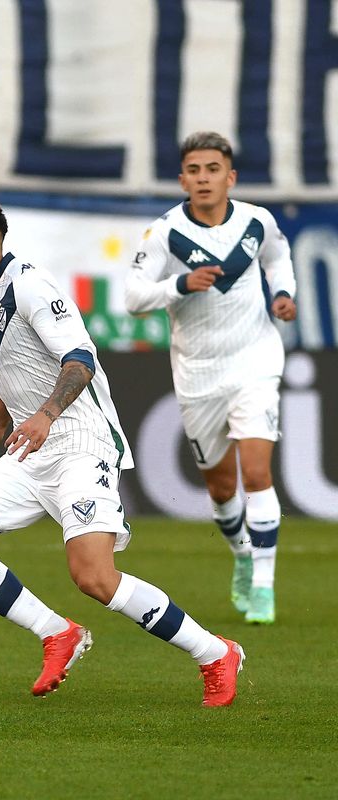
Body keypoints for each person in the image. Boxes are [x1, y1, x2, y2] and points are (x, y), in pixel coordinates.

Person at [0, 195, 244, 707]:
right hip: (30, 448)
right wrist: (1, 418)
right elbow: (19, 363)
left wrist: (46, 415)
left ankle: (214, 652)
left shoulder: (29, 285)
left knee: (93, 576)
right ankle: (57, 632)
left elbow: (78, 359)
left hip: (79, 442)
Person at [125, 132, 296, 625]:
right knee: (221, 490)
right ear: (182, 179)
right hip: (198, 372)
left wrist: (282, 294)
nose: (204, 178)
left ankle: (263, 583)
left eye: (213, 169)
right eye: (194, 171)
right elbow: (134, 298)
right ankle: (242, 556)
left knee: (258, 473)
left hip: (255, 362)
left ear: (230, 177)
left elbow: (278, 258)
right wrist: (180, 284)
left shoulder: (257, 221)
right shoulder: (165, 233)